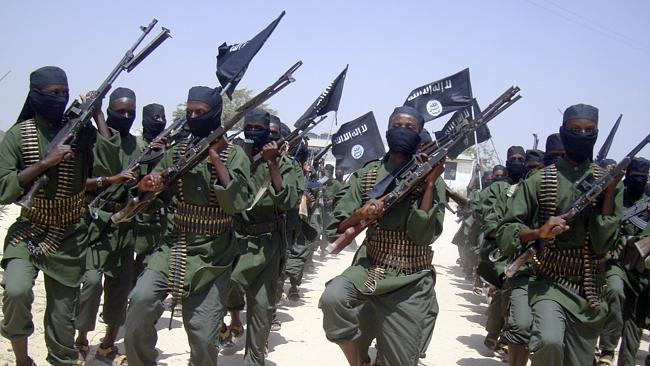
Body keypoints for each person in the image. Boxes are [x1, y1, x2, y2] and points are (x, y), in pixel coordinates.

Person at [123, 86, 251, 366]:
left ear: (215, 114)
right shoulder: (178, 151)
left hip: (213, 254)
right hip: (175, 246)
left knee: (204, 336)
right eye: (190, 111)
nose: (193, 117)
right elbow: (156, 198)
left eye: (200, 112)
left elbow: (239, 203)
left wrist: (216, 158)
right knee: (140, 305)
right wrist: (148, 186)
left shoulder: (234, 155)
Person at [0, 66, 116, 366]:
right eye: (53, 94)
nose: (60, 98)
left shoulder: (80, 133)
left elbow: (110, 164)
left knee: (62, 317)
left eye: (64, 93)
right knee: (16, 291)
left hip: (68, 236)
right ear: (36, 95)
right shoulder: (19, 135)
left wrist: (98, 115)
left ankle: (61, 360)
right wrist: (44, 163)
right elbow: (3, 188)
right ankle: (23, 359)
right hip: (29, 229)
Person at [497, 103, 623, 365]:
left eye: (589, 129)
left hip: (589, 288)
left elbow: (602, 244)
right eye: (575, 129)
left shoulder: (607, 183)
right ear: (563, 132)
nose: (582, 134)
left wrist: (609, 192)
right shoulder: (541, 180)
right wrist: (538, 233)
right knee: (549, 340)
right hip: (550, 281)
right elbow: (506, 231)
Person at [319, 105, 446, 366]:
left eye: (410, 128)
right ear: (387, 131)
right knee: (333, 298)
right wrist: (362, 213)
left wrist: (429, 184)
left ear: (420, 134)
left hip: (410, 277)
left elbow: (423, 236)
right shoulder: (368, 175)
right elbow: (337, 227)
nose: (403, 131)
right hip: (372, 267)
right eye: (397, 126)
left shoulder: (430, 178)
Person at [229, 109, 304, 365]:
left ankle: (254, 358)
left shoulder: (287, 164)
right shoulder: (235, 156)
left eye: (260, 129)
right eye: (248, 126)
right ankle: (233, 321)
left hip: (267, 244)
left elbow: (288, 200)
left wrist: (272, 163)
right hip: (234, 240)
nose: (253, 132)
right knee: (224, 290)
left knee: (261, 308)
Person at [74, 87, 141, 364]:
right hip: (95, 222)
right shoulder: (89, 139)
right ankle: (80, 339)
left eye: (129, 112)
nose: (124, 116)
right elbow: (88, 176)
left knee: (120, 287)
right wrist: (97, 114)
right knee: (90, 282)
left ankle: (108, 344)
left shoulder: (136, 145)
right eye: (119, 111)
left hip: (124, 224)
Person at [596, 157, 649, 366]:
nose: (639, 181)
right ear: (627, 178)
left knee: (635, 321)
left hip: (640, 269)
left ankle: (626, 361)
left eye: (643, 178)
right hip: (616, 263)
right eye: (635, 177)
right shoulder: (616, 198)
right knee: (615, 293)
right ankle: (607, 349)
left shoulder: (647, 202)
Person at [132, 103, 169, 282]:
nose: (160, 122)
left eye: (163, 118)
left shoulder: (168, 147)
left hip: (161, 219)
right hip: (140, 215)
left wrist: (165, 152)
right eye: (156, 118)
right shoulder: (137, 145)